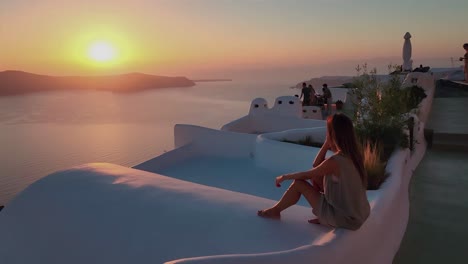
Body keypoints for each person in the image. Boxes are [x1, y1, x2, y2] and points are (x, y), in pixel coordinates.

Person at [257, 114, 370, 230]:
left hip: (344, 219)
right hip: (359, 215)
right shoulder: (355, 156)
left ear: (333, 134)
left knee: (298, 184)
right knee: (316, 178)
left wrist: (284, 177)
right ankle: (324, 216)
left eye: (328, 132)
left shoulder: (335, 161)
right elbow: (316, 165)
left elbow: (307, 174)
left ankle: (275, 211)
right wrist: (327, 144)